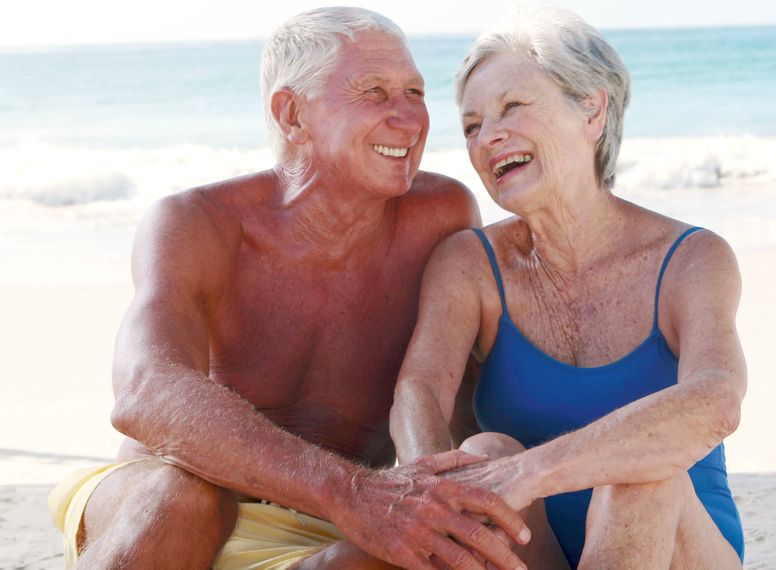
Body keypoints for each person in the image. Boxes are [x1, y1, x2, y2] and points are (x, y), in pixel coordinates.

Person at [46, 7, 532, 570]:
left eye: (415, 92)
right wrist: (348, 492)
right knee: (184, 500)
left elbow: (463, 393)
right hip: (172, 502)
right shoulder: (198, 222)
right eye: (374, 92)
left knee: (443, 545)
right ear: (292, 114)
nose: (410, 119)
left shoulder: (440, 214)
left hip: (338, 523)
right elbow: (145, 391)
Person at [390, 6, 747, 568]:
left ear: (591, 110)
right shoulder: (470, 263)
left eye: (513, 107)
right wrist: (431, 497)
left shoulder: (692, 259)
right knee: (480, 455)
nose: (489, 136)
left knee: (639, 479)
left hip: (681, 548)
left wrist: (528, 473)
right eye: (472, 125)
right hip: (541, 552)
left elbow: (716, 400)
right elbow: (421, 391)